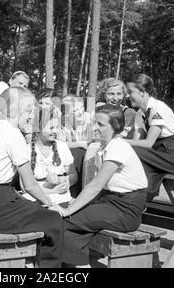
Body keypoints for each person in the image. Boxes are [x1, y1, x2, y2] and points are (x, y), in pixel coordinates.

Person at [0, 87, 64, 268]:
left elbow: (23, 187)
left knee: (36, 211)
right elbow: (30, 185)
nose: (33, 116)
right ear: (14, 111)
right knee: (54, 220)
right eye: (29, 111)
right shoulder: (13, 134)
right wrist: (50, 204)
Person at [50, 104, 148, 267]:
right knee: (68, 224)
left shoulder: (118, 147)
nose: (94, 127)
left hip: (125, 209)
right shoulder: (104, 146)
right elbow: (97, 188)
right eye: (94, 122)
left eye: (101, 124)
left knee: (65, 220)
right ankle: (77, 264)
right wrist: (76, 204)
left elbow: (96, 185)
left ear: (115, 127)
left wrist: (68, 211)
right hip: (110, 203)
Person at [125, 73, 174, 200]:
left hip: (173, 158)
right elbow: (137, 141)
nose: (127, 96)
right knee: (130, 152)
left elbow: (148, 143)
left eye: (130, 92)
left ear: (142, 92)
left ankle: (139, 200)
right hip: (158, 155)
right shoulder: (140, 114)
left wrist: (121, 141)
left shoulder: (158, 108)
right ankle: (137, 199)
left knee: (132, 150)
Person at [82, 78, 136, 187]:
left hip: (119, 146)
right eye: (111, 94)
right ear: (104, 94)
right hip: (101, 143)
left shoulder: (128, 112)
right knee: (90, 148)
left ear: (124, 95)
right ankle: (86, 191)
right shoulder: (98, 110)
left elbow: (119, 136)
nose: (115, 98)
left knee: (93, 148)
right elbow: (88, 134)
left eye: (119, 94)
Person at [22, 107, 78, 205]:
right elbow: (24, 186)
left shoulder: (62, 147)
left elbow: (73, 174)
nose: (55, 131)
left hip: (61, 197)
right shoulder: (26, 150)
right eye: (51, 128)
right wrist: (52, 191)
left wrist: (64, 181)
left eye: (57, 127)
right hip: (34, 197)